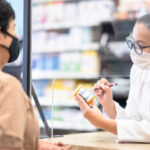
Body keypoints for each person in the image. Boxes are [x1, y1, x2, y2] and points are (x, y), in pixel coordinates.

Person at [0, 0, 72, 149]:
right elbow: (8, 143)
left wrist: (35, 145)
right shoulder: (7, 87)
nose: (16, 36)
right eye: (14, 28)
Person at [75, 13, 150, 143]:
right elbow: (134, 121)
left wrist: (103, 123)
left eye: (139, 46)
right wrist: (109, 104)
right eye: (132, 42)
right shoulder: (138, 69)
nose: (133, 51)